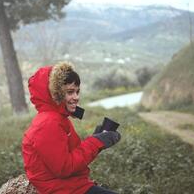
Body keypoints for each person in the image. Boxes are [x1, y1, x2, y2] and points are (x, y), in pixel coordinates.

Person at [22, 62, 121, 194]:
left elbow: (73, 157)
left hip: (71, 185)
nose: (76, 97)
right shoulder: (47, 124)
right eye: (70, 92)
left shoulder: (58, 118)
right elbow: (64, 168)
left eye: (77, 91)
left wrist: (97, 140)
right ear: (55, 94)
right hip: (62, 189)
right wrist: (96, 142)